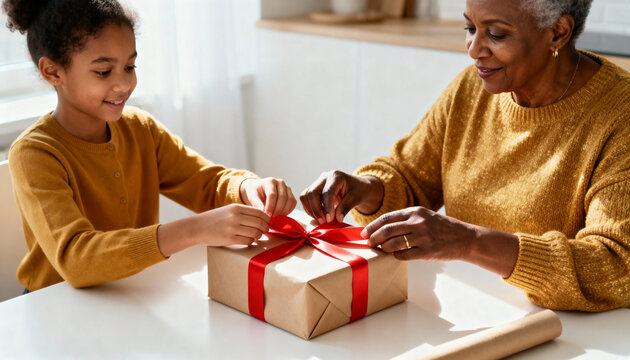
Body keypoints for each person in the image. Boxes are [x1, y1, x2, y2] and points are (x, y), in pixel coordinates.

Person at [301, 0, 630, 312]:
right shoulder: (472, 89)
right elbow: (409, 176)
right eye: (470, 28)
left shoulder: (619, 115)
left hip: (568, 337)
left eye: (496, 34)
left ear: (557, 32)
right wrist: (366, 189)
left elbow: (614, 265)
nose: (473, 50)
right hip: (467, 311)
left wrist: (468, 241)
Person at [3, 0, 297, 292]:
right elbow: (77, 258)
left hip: (132, 291)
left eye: (130, 66)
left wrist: (247, 187)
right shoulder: (35, 153)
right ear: (53, 72)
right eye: (104, 71)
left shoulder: (140, 128)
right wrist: (195, 229)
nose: (124, 84)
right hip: (55, 308)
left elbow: (204, 182)